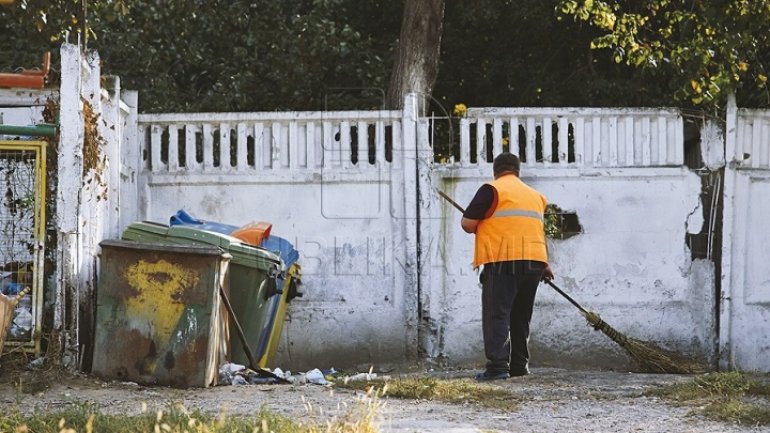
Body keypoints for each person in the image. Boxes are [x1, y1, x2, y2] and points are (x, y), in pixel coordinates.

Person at [461, 152, 554, 381]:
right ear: (517, 170)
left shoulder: (491, 190)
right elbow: (535, 230)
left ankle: (497, 368)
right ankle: (519, 366)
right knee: (521, 316)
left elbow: (467, 224)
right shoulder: (536, 197)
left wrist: (482, 224)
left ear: (496, 170)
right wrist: (545, 264)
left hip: (503, 259)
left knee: (498, 314)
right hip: (534, 261)